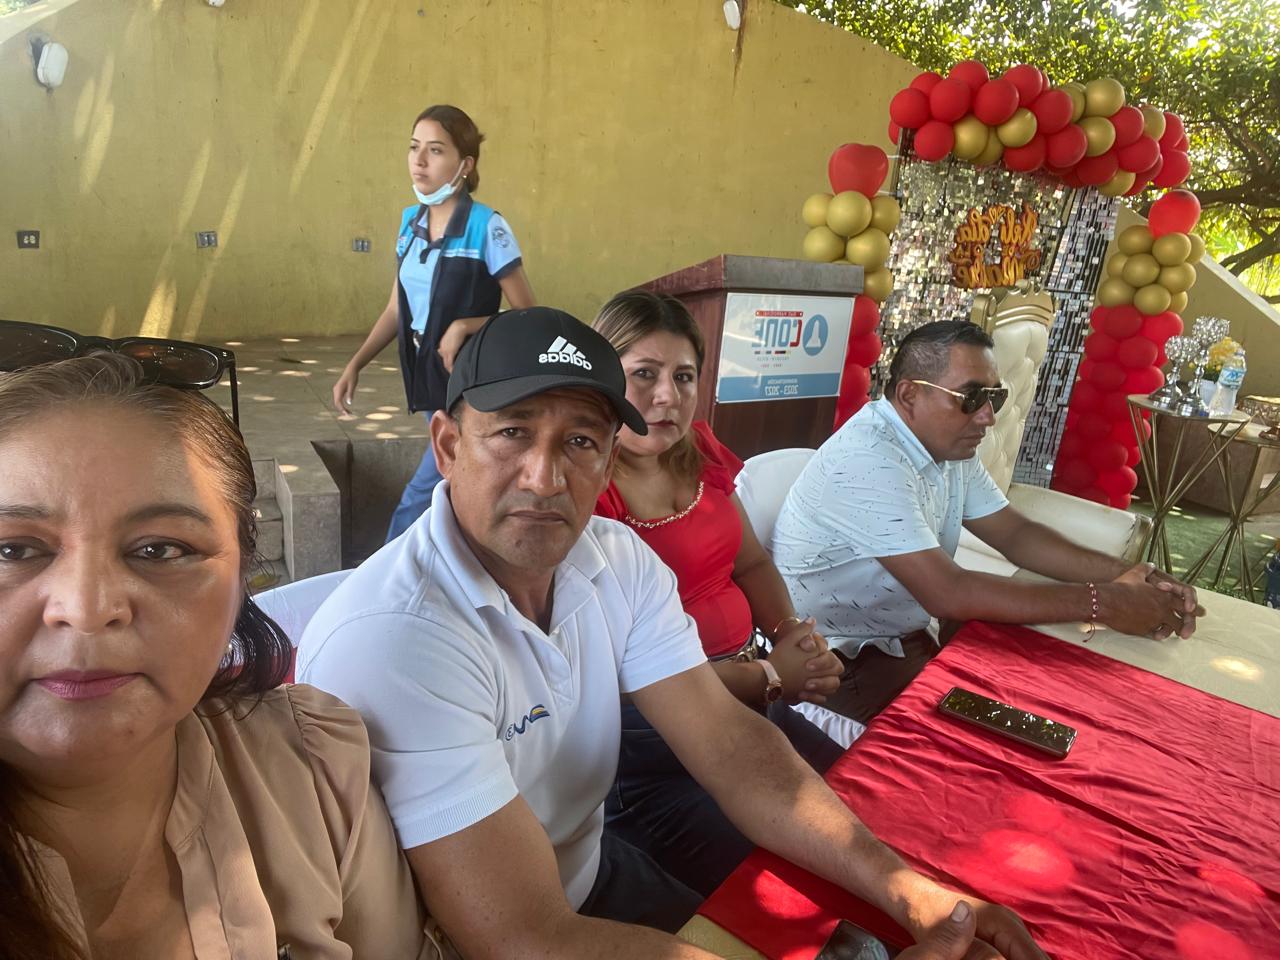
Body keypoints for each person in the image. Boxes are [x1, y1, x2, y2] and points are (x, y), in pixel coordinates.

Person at [298, 307, 1049, 960]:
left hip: (589, 875)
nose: (544, 477)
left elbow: (730, 745)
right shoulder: (401, 638)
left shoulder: (614, 560)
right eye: (512, 433)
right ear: (447, 446)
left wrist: (910, 891)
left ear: (608, 460)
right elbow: (522, 938)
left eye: (580, 442)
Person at [0, 351, 429, 959]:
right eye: (13, 551)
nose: (87, 608)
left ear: (241, 582)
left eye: (160, 550)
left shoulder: (314, 772)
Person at [773, 319, 1203, 724]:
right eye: (971, 397)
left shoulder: (945, 444)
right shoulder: (869, 460)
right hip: (840, 660)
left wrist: (1131, 577)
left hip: (906, 633)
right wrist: (1104, 602)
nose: (987, 417)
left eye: (994, 398)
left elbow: (1015, 534)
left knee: (1058, 697)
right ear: (909, 395)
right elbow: (949, 592)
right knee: (991, 740)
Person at [591, 290, 848, 895]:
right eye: (644, 374)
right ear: (602, 377)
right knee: (790, 879)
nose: (667, 396)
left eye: (684, 377)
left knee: (862, 797)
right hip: (654, 748)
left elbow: (751, 563)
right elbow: (622, 677)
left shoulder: (700, 452)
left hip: (753, 700)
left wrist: (793, 639)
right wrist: (771, 676)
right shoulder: (592, 492)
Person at [332, 104, 536, 541]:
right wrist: (356, 364)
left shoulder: (487, 227)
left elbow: (529, 315)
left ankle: (385, 567)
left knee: (423, 490)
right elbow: (396, 308)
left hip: (468, 380)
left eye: (436, 150)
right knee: (452, 478)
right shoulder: (411, 222)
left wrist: (466, 325)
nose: (419, 161)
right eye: (414, 147)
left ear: (465, 165)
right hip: (428, 373)